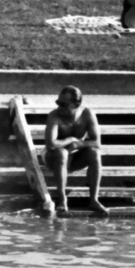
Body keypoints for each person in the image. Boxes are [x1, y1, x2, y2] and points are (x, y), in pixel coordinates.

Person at [44, 86, 109, 216]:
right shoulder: (54, 115)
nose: (58, 106)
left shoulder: (87, 114)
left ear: (74, 105)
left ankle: (94, 200)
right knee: (62, 153)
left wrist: (78, 144)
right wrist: (70, 139)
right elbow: (51, 145)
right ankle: (62, 199)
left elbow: (97, 143)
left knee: (95, 153)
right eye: (57, 102)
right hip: (53, 157)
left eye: (62, 104)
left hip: (75, 158)